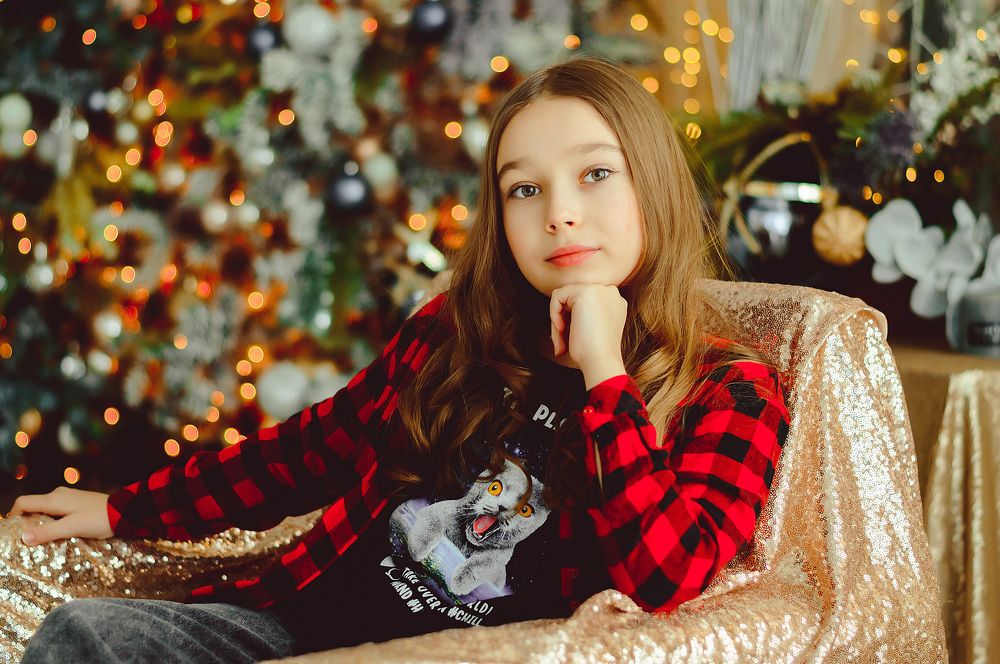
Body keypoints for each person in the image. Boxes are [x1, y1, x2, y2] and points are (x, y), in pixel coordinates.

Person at [9, 55, 790, 662]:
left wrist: (605, 377)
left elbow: (666, 579)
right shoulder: (455, 331)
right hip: (299, 635)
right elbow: (306, 452)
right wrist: (123, 510)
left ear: (653, 185)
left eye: (595, 174)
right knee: (86, 637)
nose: (559, 213)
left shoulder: (729, 391)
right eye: (524, 190)